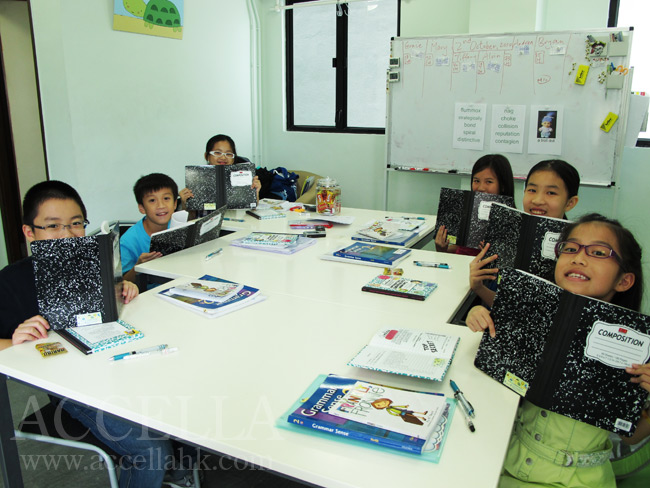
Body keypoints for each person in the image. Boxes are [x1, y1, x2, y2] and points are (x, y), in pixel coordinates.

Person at [0, 181, 195, 487]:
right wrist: (13, 341)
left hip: (119, 364)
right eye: (53, 226)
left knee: (190, 396)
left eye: (76, 224)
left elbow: (114, 304)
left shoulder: (96, 263)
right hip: (76, 388)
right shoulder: (11, 281)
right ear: (30, 232)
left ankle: (180, 473)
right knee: (150, 450)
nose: (67, 234)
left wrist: (125, 287)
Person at [466, 213, 650, 487]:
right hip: (506, 460)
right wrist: (481, 315)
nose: (579, 257)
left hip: (579, 480)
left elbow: (631, 436)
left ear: (624, 281)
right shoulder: (534, 317)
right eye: (570, 248)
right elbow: (496, 374)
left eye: (599, 252)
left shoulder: (635, 347)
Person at [469, 159, 580, 307]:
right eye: (532, 190)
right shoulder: (508, 235)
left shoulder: (576, 251)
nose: (538, 200)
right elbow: (505, 305)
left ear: (570, 202)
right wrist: (479, 287)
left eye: (551, 193)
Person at [435, 154, 514, 255]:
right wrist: (442, 248)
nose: (481, 187)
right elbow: (458, 249)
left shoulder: (510, 221)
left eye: (489, 182)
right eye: (476, 181)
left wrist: (490, 255)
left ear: (503, 185)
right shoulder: (466, 211)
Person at [120, 173, 179, 283]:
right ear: (142, 208)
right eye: (152, 200)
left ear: (175, 204)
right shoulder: (128, 240)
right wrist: (137, 268)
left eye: (166, 198)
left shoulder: (179, 226)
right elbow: (121, 283)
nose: (161, 205)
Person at [179, 134, 262, 208]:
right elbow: (191, 218)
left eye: (228, 154)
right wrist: (184, 203)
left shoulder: (240, 177)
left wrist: (255, 193)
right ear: (206, 156)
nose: (223, 158)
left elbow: (251, 208)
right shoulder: (196, 179)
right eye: (217, 153)